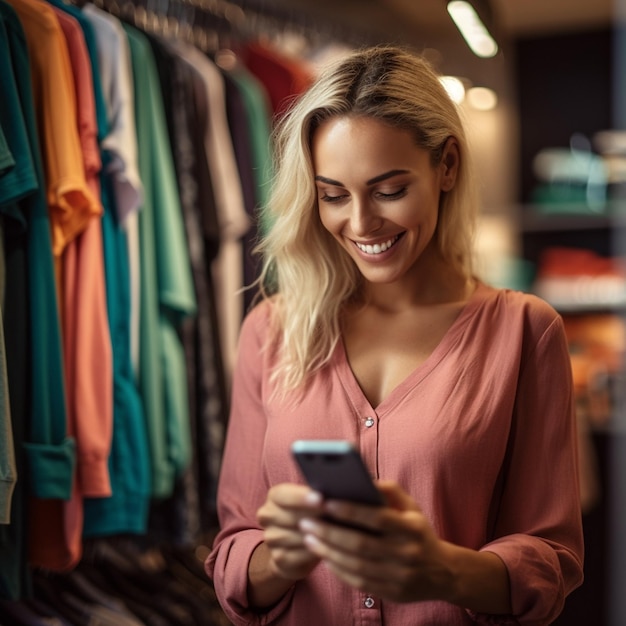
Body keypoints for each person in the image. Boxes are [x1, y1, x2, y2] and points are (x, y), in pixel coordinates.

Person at [205, 44, 584, 625]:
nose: (359, 224)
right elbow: (232, 555)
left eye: (389, 190)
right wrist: (284, 555)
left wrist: (440, 570)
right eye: (332, 195)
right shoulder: (271, 331)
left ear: (448, 166)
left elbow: (549, 564)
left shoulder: (524, 331)